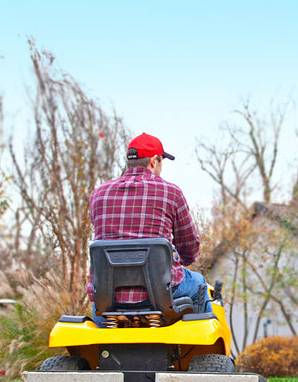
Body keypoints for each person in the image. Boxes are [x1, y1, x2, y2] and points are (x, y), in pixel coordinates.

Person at [87, 132, 210, 322]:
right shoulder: (171, 192)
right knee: (200, 282)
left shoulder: (98, 194)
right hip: (160, 297)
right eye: (161, 163)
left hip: (107, 299)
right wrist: (185, 259)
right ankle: (198, 349)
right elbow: (189, 245)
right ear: (154, 161)